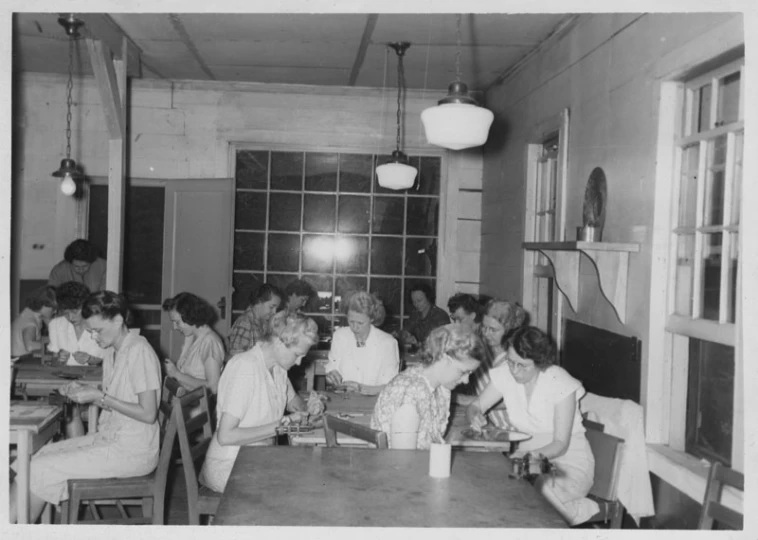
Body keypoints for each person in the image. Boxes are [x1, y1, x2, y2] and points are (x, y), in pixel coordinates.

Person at [8, 291, 162, 524]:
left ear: (118, 320)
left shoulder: (139, 351)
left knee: (40, 468)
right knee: (35, 457)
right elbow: (118, 397)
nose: (94, 338)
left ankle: (16, 527)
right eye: (90, 331)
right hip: (113, 440)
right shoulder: (115, 350)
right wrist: (83, 390)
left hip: (133, 451)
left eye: (97, 331)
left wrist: (100, 397)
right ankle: (12, 524)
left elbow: (148, 414)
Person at [466, 326, 595, 525]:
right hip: (527, 462)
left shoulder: (559, 381)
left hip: (567, 463)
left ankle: (573, 513)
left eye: (523, 365)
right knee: (490, 490)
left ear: (539, 362)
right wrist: (474, 415)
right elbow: (476, 405)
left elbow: (560, 443)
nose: (515, 370)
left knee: (539, 494)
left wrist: (527, 458)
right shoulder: (506, 374)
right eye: (511, 362)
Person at [199, 311, 324, 492]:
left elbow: (294, 403)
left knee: (309, 472)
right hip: (229, 465)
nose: (299, 362)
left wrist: (309, 407)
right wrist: (280, 427)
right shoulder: (245, 367)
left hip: (256, 456)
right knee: (304, 482)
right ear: (280, 342)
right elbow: (225, 436)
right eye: (297, 354)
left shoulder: (278, 368)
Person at [371, 324, 485, 449]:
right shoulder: (409, 393)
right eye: (463, 372)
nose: (466, 380)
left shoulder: (440, 387)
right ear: (444, 359)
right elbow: (403, 461)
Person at [456, 300, 527, 429]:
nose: (486, 333)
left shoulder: (516, 361)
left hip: (512, 429)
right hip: (490, 423)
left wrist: (460, 399)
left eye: (493, 330)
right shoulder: (484, 347)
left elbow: (508, 400)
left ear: (510, 331)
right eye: (484, 327)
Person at [324, 291, 399, 395]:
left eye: (360, 323)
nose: (355, 327)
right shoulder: (340, 336)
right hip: (344, 400)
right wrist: (331, 375)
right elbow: (332, 366)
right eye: (351, 321)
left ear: (372, 319)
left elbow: (391, 386)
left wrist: (361, 389)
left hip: (374, 403)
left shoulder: (387, 343)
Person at [162, 292, 225, 394]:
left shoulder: (210, 342)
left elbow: (213, 387)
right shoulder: (192, 337)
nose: (174, 327)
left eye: (177, 322)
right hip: (185, 402)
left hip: (200, 407)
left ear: (189, 316)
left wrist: (177, 375)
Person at [48, 281, 107, 366]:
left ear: (86, 306)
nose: (71, 317)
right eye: (66, 313)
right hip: (64, 377)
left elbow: (113, 362)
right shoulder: (56, 325)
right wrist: (59, 360)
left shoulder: (101, 324)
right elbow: (53, 364)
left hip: (96, 378)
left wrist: (90, 360)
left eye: (75, 312)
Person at [226, 283, 283, 357]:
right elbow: (236, 358)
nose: (274, 312)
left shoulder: (264, 322)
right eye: (271, 307)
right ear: (259, 302)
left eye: (276, 309)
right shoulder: (245, 323)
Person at [10, 285, 57, 357]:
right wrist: (54, 343)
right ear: (44, 305)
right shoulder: (30, 322)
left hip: (20, 358)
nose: (55, 312)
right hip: (18, 361)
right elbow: (30, 346)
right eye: (54, 308)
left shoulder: (29, 313)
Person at [401, 283, 450, 348]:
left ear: (428, 298)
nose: (416, 304)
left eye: (419, 300)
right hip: (420, 353)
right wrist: (405, 336)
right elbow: (405, 330)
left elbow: (441, 342)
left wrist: (418, 343)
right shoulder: (415, 314)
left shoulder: (440, 316)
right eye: (414, 301)